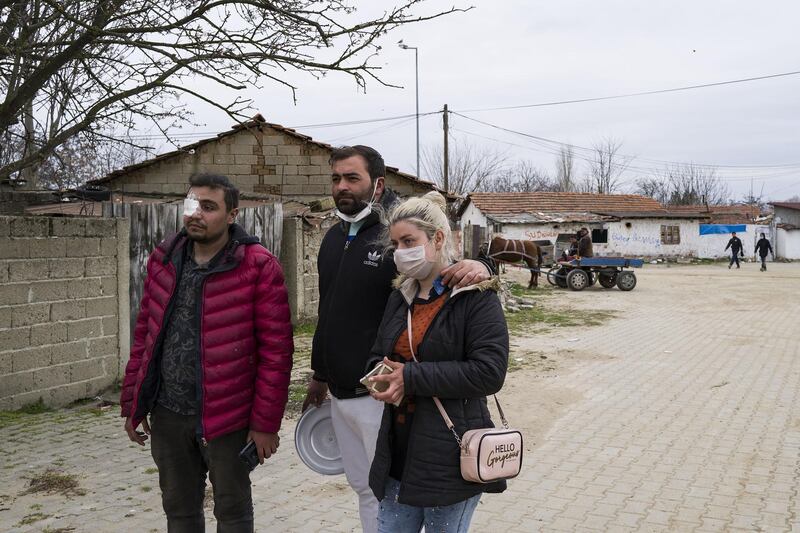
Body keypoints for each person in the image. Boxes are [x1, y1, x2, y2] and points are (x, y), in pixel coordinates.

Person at [303, 145, 495, 533]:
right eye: (336, 178)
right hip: (348, 391)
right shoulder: (332, 240)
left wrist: (483, 265)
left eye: (351, 178)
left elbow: (444, 269)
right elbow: (330, 315)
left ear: (377, 184)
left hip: (387, 403)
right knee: (363, 487)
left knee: (390, 494)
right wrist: (319, 373)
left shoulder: (395, 236)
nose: (342, 186)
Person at [120, 173, 293, 532]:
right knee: (179, 511)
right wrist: (133, 404)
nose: (196, 214)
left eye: (208, 207)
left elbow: (277, 353)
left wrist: (265, 425)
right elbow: (145, 336)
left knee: (232, 512)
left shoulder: (258, 266)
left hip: (228, 416)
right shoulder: (164, 258)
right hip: (169, 413)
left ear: (232, 214)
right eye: (191, 205)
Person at [365, 191, 509, 533]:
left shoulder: (475, 297)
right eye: (396, 244)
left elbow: (489, 372)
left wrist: (410, 378)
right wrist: (379, 378)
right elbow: (378, 353)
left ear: (438, 238)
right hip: (397, 451)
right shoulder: (400, 297)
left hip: (448, 455)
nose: (401, 252)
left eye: (409, 241)